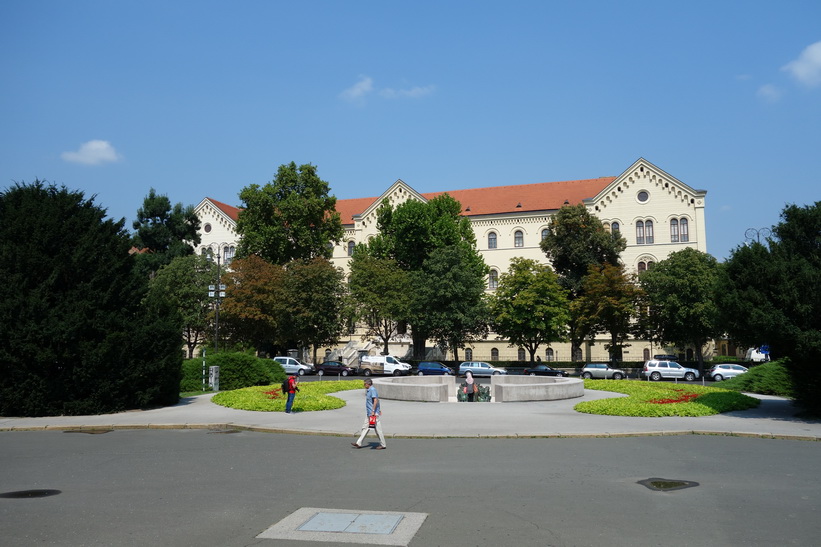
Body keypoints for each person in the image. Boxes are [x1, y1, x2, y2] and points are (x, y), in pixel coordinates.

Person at [351, 378, 386, 450]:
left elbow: (376, 400)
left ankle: (383, 444)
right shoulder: (369, 390)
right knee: (365, 428)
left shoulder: (372, 390)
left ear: (368, 384)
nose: (364, 385)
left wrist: (374, 411)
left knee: (378, 429)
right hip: (369, 413)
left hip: (373, 414)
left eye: (364, 384)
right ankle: (359, 443)